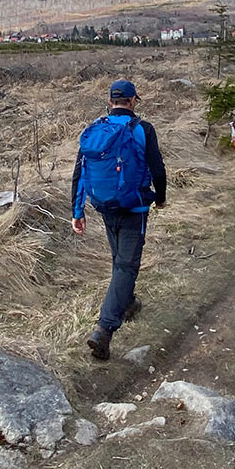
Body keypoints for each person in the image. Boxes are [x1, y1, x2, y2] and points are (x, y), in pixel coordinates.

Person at [71, 79, 167, 361]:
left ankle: (128, 304)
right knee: (126, 265)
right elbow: (158, 170)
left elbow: (80, 174)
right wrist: (160, 197)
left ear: (111, 101)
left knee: (119, 262)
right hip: (134, 208)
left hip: (104, 205)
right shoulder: (142, 129)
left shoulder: (94, 130)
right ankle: (104, 329)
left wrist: (77, 213)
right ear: (133, 101)